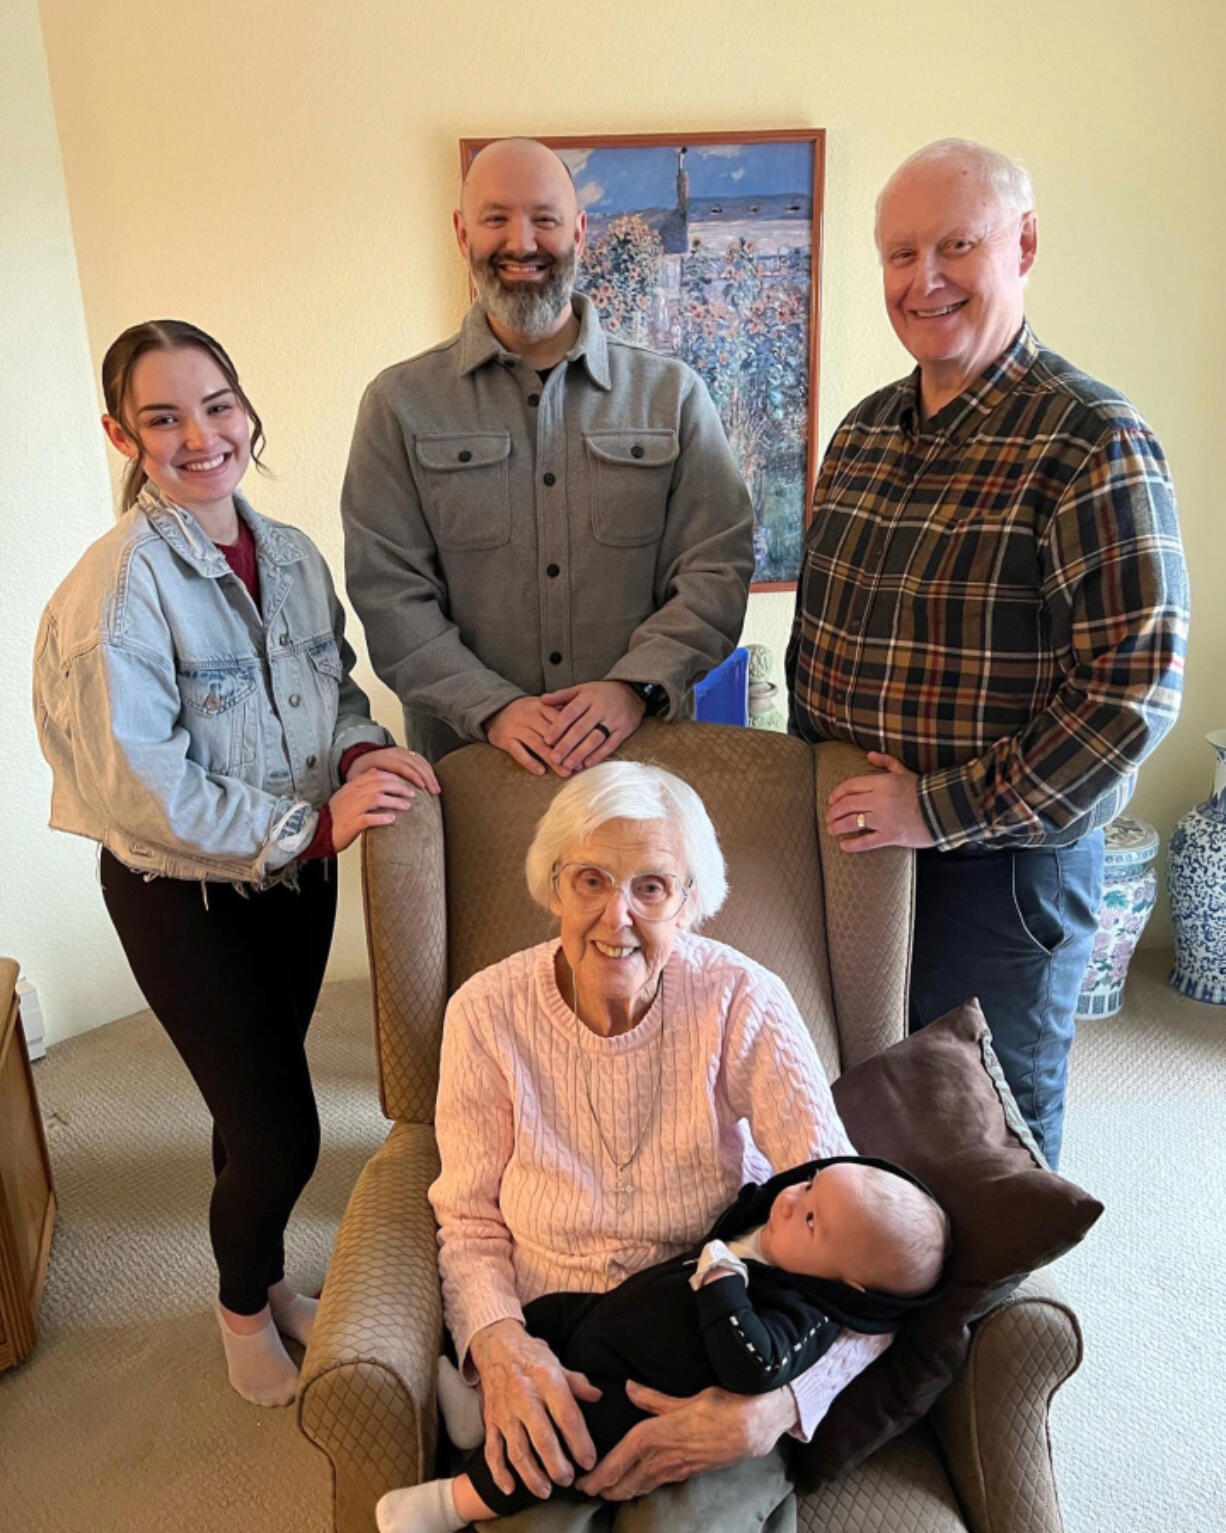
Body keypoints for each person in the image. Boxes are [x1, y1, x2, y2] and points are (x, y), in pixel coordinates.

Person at [33, 320, 440, 1407]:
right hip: (184, 898)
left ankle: (258, 1274)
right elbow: (140, 788)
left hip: (291, 888)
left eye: (216, 405)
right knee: (280, 1126)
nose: (199, 435)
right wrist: (314, 827)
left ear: (247, 410)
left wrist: (362, 748)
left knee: (244, 1100)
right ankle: (239, 1309)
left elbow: (334, 692)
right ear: (124, 434)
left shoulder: (295, 555)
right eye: (162, 417)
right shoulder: (116, 589)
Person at [786, 138, 1189, 1170]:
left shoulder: (1088, 436)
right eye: (896, 253)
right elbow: (819, 638)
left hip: (997, 864)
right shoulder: (865, 431)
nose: (921, 279)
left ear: (1022, 246)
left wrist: (935, 808)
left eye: (954, 246)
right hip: (851, 847)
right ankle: (876, 1324)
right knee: (853, 1104)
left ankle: (988, 1330)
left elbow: (1130, 694)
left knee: (978, 1125)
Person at [406, 760, 896, 1532]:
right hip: (554, 1340)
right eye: (591, 879)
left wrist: (772, 1408)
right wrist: (499, 1344)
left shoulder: (743, 999)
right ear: (552, 885)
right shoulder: (486, 1013)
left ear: (692, 901)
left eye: (652, 887)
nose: (617, 916)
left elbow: (850, 1239)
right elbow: (467, 1220)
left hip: (711, 1353)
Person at [341, 136, 755, 777]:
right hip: (473, 775)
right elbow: (388, 593)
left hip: (642, 775)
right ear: (462, 233)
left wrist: (632, 688)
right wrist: (493, 707)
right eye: (496, 218)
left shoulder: (673, 396)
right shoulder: (398, 405)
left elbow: (717, 570)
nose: (522, 242)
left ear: (580, 231)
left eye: (545, 218)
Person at [376, 1156, 948, 1531]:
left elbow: (754, 1365)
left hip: (634, 1393)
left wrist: (725, 1288)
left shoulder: (806, 1312)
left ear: (847, 1282)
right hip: (604, 1315)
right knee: (536, 1322)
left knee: (555, 1447)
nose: (791, 1201)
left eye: (811, 1220)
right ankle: (476, 1408)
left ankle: (448, 1505)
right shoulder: (783, 1224)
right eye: (808, 1184)